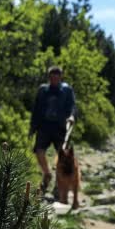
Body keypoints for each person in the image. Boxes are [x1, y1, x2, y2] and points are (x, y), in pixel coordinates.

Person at [30, 66, 77, 195]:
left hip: (60, 126)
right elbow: (36, 109)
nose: (54, 79)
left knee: (62, 156)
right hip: (44, 126)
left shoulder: (67, 90)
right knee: (39, 152)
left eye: (57, 77)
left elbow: (72, 105)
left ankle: (59, 183)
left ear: (61, 77)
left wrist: (72, 116)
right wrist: (32, 127)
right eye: (52, 77)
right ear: (49, 77)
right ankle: (47, 174)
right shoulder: (43, 90)